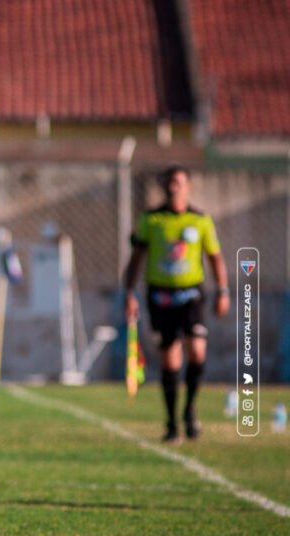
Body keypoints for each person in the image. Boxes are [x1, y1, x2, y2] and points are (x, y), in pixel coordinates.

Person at [123, 165, 229, 443]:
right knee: (170, 358)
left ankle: (190, 410)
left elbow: (215, 257)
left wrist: (223, 291)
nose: (174, 187)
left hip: (191, 294)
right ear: (164, 186)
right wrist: (129, 293)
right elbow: (136, 259)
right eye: (170, 182)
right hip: (160, 296)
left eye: (179, 182)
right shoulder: (152, 220)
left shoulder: (201, 221)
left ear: (188, 187)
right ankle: (171, 423)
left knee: (196, 349)